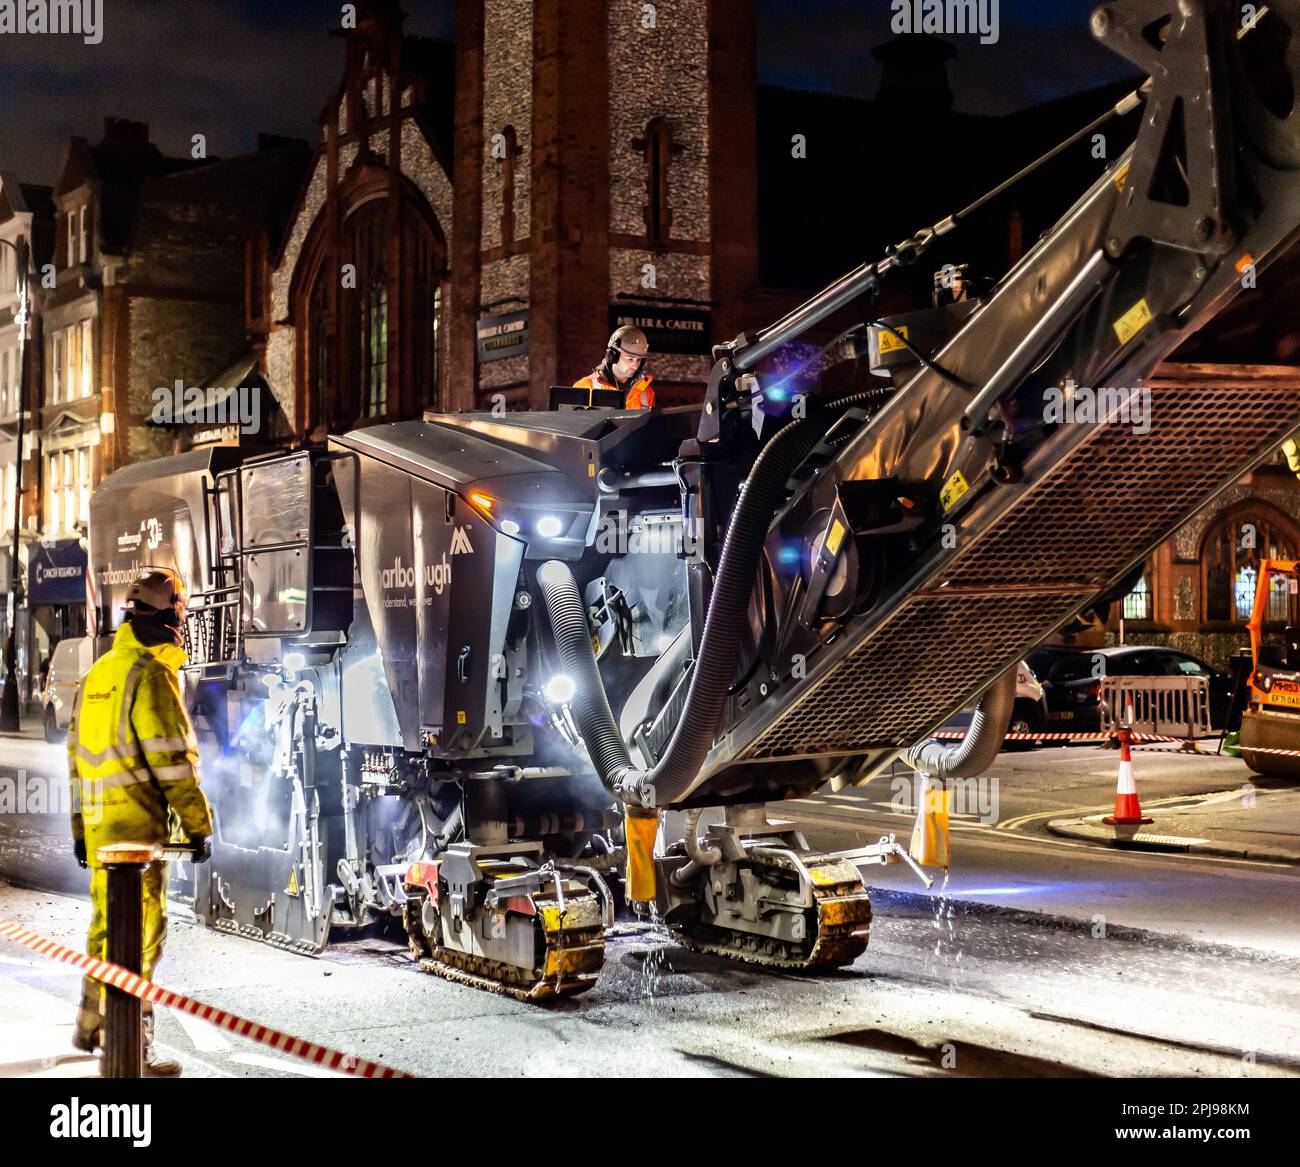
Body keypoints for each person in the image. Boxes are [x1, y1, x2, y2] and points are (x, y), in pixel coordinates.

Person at [68, 568, 213, 1076]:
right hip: (139, 834)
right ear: (170, 617)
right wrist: (199, 826)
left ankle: (92, 1024)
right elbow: (172, 762)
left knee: (106, 926)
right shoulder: (150, 675)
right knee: (142, 936)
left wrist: (79, 829)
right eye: (181, 615)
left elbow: (75, 760)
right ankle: (133, 1047)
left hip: (101, 826)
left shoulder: (99, 674)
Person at [574, 325, 655, 409]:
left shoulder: (645, 390)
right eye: (630, 359)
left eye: (639, 360)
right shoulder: (586, 387)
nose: (635, 365)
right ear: (612, 356)